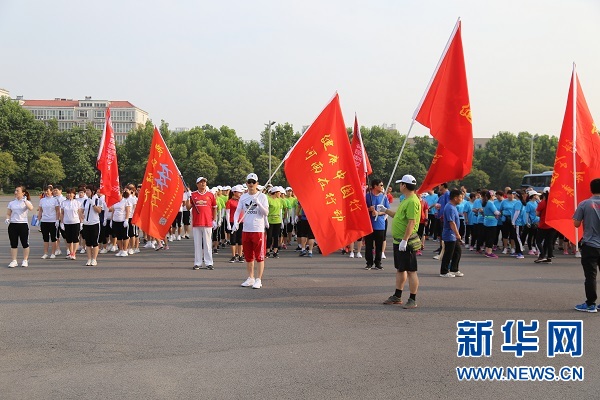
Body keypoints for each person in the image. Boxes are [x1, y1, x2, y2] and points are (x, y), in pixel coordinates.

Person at [377, 175, 421, 309]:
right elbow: (399, 216)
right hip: (399, 241)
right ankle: (397, 295)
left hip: (406, 241)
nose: (399, 186)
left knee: (411, 270)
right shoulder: (406, 200)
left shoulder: (412, 201)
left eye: (401, 183)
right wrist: (385, 211)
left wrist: (405, 240)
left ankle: (412, 298)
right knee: (401, 269)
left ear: (404, 185)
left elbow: (411, 222)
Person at [234, 173, 269, 289]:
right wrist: (235, 222)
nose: (251, 184)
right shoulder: (243, 197)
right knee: (248, 256)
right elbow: (238, 211)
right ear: (246, 184)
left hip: (258, 229)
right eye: (249, 182)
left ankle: (258, 279)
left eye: (253, 182)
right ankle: (250, 278)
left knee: (259, 256)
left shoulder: (262, 197)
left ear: (257, 184)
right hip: (246, 229)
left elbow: (266, 213)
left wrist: (258, 203)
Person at [573, 178, 600, 312]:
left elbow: (576, 224)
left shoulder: (585, 204)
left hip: (590, 244)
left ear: (591, 189)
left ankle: (591, 304)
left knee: (590, 276)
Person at [187, 177, 218, 270]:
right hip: (197, 223)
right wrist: (189, 198)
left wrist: (214, 220)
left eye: (204, 182)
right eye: (200, 182)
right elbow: (188, 207)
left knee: (208, 243)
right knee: (197, 244)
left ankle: (209, 263)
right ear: (197, 184)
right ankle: (198, 263)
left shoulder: (210, 195)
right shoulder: (193, 195)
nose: (203, 184)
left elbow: (214, 207)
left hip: (208, 222)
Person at [6, 186, 34, 267]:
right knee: (13, 244)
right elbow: (8, 213)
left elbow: (31, 208)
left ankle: (25, 260)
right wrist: (7, 219)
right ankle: (14, 261)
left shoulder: (26, 202)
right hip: (13, 225)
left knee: (25, 243)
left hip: (23, 224)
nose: (15, 192)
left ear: (23, 193)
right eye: (15, 191)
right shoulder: (11, 203)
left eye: (18, 191)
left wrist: (25, 201)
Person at [364, 179, 389, 270]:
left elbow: (386, 210)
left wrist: (378, 213)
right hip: (369, 225)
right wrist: (369, 210)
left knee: (379, 245)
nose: (382, 187)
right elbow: (362, 209)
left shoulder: (384, 197)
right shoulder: (367, 196)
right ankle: (369, 263)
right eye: (381, 185)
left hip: (380, 224)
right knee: (369, 245)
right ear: (375, 186)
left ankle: (378, 263)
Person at [439, 189, 464, 277]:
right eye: (461, 197)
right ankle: (444, 271)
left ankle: (454, 269)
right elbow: (451, 222)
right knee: (448, 253)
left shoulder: (453, 207)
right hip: (450, 234)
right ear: (455, 198)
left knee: (457, 252)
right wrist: (457, 234)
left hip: (453, 235)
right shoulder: (449, 207)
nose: (462, 199)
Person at [81, 187, 103, 266]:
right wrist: (81, 218)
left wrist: (93, 204)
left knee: (94, 242)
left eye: (88, 190)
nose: (86, 192)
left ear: (92, 191)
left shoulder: (97, 200)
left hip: (94, 223)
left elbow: (99, 211)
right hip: (86, 224)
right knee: (88, 242)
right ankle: (89, 259)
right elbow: (81, 210)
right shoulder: (85, 201)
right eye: (86, 190)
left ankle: (94, 259)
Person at [60, 188, 83, 260]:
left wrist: (81, 222)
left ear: (74, 194)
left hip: (75, 222)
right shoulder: (64, 203)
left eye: (71, 193)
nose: (69, 195)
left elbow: (80, 213)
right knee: (68, 239)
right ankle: (70, 252)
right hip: (67, 222)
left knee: (75, 238)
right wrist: (62, 222)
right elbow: (62, 213)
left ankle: (74, 253)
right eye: (68, 193)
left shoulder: (77, 202)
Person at [37, 185, 59, 259]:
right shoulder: (42, 200)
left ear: (51, 191)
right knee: (45, 238)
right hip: (44, 221)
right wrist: (38, 219)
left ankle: (53, 253)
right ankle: (45, 253)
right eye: (45, 191)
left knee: (53, 238)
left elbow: (57, 211)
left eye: (48, 191)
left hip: (52, 221)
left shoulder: (55, 200)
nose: (46, 192)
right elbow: (40, 210)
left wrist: (57, 220)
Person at [109, 188, 132, 257]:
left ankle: (125, 250)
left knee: (124, 236)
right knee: (118, 236)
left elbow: (128, 211)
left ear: (121, 194)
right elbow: (113, 211)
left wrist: (126, 220)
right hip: (116, 221)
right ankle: (121, 249)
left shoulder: (126, 201)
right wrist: (111, 220)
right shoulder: (115, 202)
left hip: (122, 221)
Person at [226, 185, 245, 262]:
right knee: (233, 240)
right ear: (234, 192)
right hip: (232, 222)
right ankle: (233, 256)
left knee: (240, 240)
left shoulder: (242, 201)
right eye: (238, 192)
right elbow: (227, 213)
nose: (240, 193)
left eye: (241, 192)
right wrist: (228, 224)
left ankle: (240, 255)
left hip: (241, 222)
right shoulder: (229, 201)